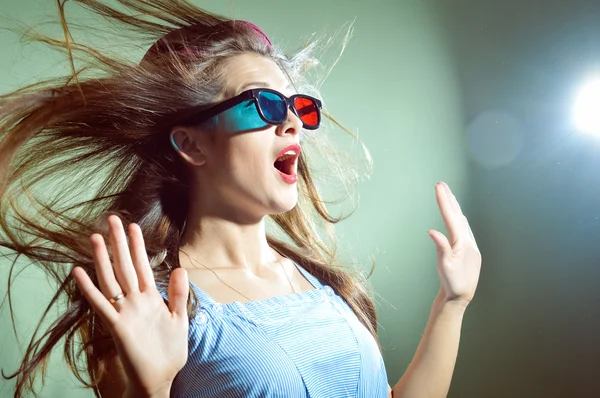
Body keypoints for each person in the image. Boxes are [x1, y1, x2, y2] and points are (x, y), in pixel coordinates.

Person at [0, 1, 482, 397]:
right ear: (190, 143)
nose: (292, 122)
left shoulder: (316, 281)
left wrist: (452, 304)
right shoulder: (154, 304)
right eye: (264, 104)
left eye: (298, 107)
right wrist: (153, 389)